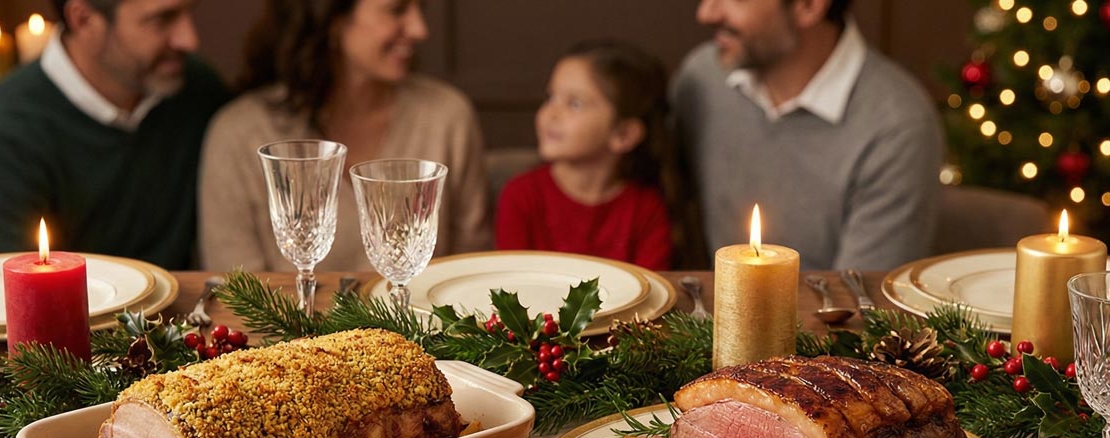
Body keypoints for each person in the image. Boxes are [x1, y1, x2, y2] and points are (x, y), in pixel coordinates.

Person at [199, 0, 490, 273]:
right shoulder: (239, 135)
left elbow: (468, 272)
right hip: (292, 328)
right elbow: (238, 295)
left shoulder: (447, 117)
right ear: (333, 18)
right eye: (396, 9)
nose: (419, 29)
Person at [0, 0, 229, 271]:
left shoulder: (199, 92)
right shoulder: (0, 133)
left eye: (188, 12)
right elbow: (1, 297)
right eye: (161, 19)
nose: (189, 39)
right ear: (83, 20)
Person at [672, 0, 942, 271]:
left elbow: (862, 303)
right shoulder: (703, 78)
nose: (706, 13)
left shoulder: (896, 126)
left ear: (809, 6)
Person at [496, 41, 675, 271]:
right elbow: (513, 286)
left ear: (624, 134)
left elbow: (649, 294)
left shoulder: (647, 210)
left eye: (575, 103)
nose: (551, 113)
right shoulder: (520, 197)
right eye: (550, 97)